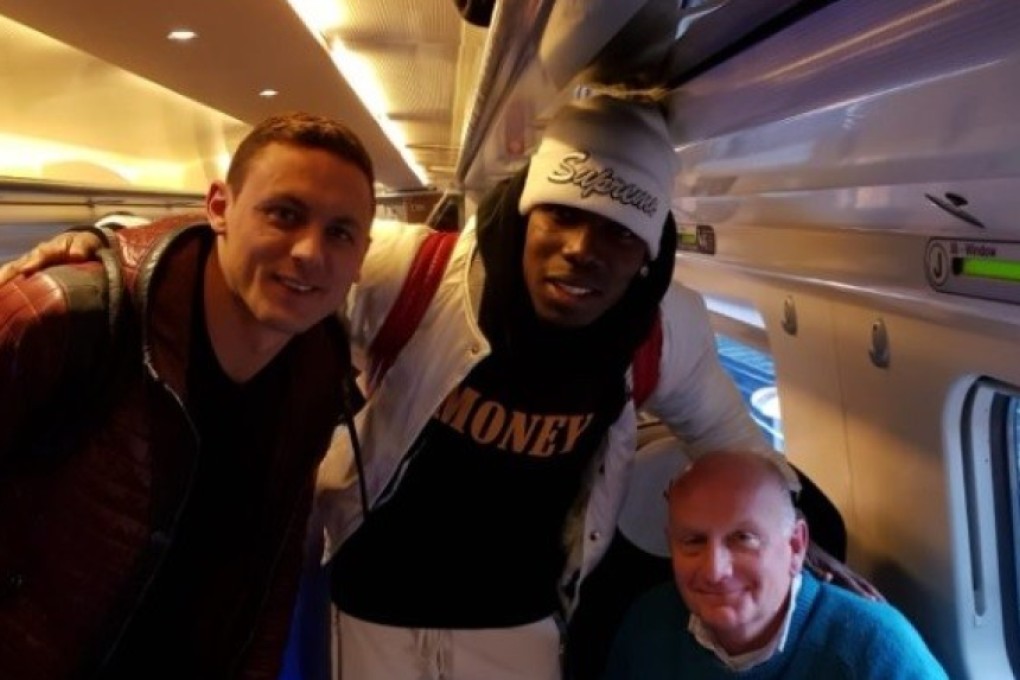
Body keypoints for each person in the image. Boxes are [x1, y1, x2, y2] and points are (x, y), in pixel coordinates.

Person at [0, 111, 374, 679]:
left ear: (363, 253)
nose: (308, 252)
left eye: (339, 232)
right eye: (284, 214)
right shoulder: (62, 322)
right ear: (220, 208)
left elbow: (271, 568)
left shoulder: (318, 366)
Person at [602, 451, 948, 679]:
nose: (714, 570)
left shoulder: (873, 647)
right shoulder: (648, 623)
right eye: (693, 542)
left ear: (796, 545)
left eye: (743, 539)